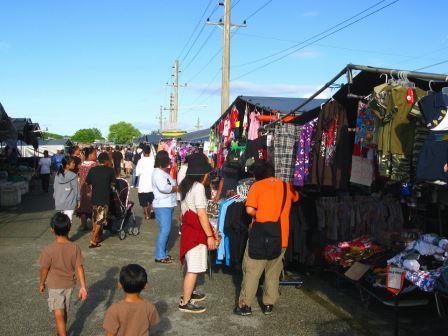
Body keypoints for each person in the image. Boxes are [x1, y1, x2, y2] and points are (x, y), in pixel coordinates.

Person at [234, 161, 299, 316]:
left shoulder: (257, 186)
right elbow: (296, 198)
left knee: (252, 271)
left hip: (260, 236)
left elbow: (250, 209)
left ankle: (245, 306)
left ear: (257, 174)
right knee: (273, 272)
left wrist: (261, 213)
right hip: (281, 236)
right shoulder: (286, 186)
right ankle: (269, 304)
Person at [178, 153, 216, 313]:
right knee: (193, 268)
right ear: (202, 173)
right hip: (195, 232)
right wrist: (210, 235)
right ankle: (185, 302)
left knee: (190, 265)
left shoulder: (185, 184)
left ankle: (189, 293)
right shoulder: (198, 187)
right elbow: (201, 213)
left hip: (188, 229)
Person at [39, 213, 88, 336]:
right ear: (70, 228)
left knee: (58, 313)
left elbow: (44, 269)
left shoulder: (48, 249)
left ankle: (62, 334)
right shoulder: (74, 248)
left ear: (52, 229)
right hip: (69, 285)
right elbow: (79, 267)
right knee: (63, 311)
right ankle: (61, 332)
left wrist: (42, 283)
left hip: (55, 285)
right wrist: (83, 286)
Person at [103, 264, 160, 336]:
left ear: (120, 285)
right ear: (145, 285)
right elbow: (153, 324)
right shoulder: (149, 307)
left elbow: (110, 334)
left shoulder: (114, 309)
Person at [85, 152, 116, 248]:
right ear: (107, 161)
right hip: (104, 197)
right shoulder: (110, 170)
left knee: (95, 218)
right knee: (100, 219)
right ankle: (93, 240)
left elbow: (87, 182)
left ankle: (96, 236)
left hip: (94, 197)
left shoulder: (93, 170)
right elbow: (113, 183)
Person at [152, 150, 178, 264]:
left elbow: (171, 183)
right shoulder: (157, 173)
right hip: (162, 205)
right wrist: (176, 188)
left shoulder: (164, 172)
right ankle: (159, 255)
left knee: (167, 230)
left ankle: (164, 253)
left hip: (168, 204)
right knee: (165, 230)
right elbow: (164, 188)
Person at [77, 148, 98, 231]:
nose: (96, 156)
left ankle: (83, 225)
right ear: (89, 155)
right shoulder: (94, 165)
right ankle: (94, 226)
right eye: (95, 154)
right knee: (93, 207)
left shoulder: (81, 164)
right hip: (92, 188)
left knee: (83, 206)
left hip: (82, 188)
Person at [53, 157, 79, 222]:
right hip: (69, 203)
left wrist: (55, 198)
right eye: (73, 163)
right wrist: (78, 200)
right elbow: (76, 190)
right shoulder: (73, 175)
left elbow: (55, 188)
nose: (74, 164)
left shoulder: (57, 175)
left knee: (61, 222)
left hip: (59, 202)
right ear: (67, 165)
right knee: (68, 222)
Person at [135, 145, 155, 220]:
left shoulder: (140, 161)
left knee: (144, 202)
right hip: (152, 184)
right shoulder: (153, 160)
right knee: (152, 200)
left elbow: (137, 173)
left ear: (143, 152)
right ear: (150, 152)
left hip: (143, 184)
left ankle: (147, 215)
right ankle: (152, 210)